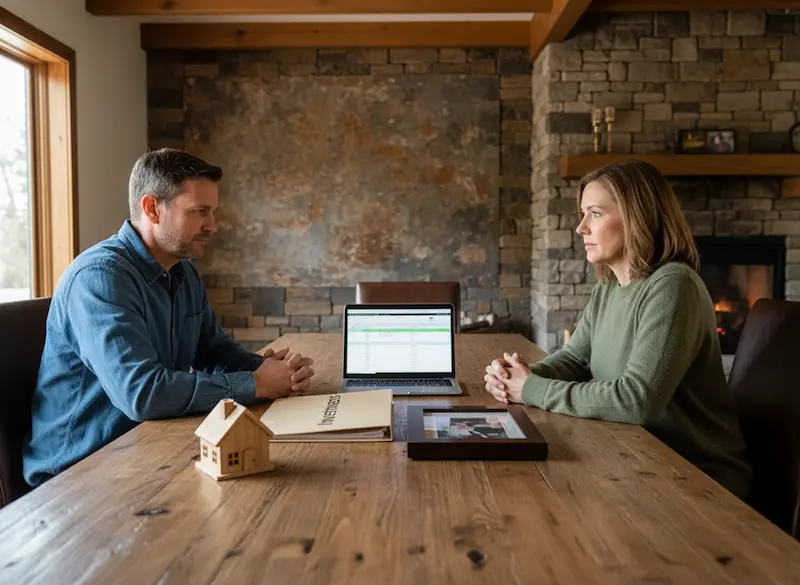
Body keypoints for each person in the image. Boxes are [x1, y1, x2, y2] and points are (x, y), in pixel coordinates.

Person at [23, 148, 314, 487]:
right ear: (151, 209)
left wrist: (272, 372)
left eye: (213, 212)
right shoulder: (99, 278)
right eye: (199, 211)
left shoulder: (183, 272)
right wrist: (257, 384)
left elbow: (215, 351)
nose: (213, 225)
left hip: (145, 452)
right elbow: (143, 394)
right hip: (77, 476)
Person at [484, 160, 752, 499]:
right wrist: (517, 377)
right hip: (636, 460)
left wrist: (532, 388)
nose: (581, 228)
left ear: (637, 217)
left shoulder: (674, 286)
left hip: (697, 479)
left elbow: (636, 400)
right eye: (583, 214)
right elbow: (576, 360)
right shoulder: (609, 286)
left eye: (594, 213)